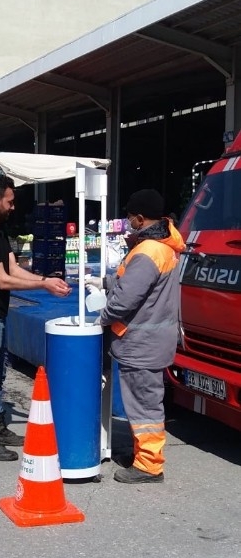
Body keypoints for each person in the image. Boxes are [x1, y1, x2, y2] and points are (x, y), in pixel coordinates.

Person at [0, 175, 71, 461]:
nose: (13, 207)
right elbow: (3, 280)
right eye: (9, 201)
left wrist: (46, 279)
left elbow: (13, 268)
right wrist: (43, 284)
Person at [97, 188, 185, 484]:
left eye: (129, 216)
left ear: (138, 217)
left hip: (142, 343)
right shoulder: (161, 246)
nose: (127, 221)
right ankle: (143, 456)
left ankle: (149, 466)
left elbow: (125, 300)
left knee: (144, 404)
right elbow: (134, 284)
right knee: (144, 400)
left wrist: (103, 317)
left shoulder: (149, 251)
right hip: (153, 340)